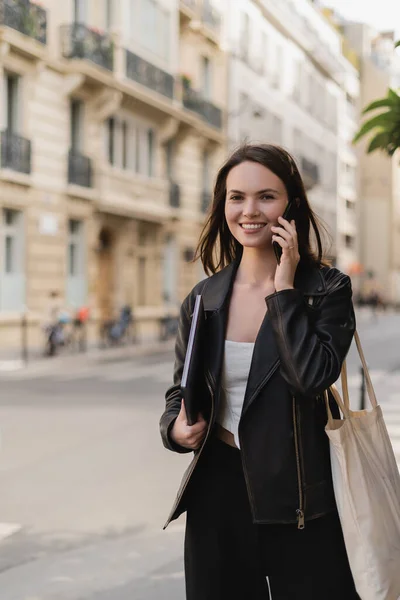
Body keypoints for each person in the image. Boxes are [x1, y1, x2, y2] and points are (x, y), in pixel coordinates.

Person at [159, 144, 359, 599]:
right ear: (222, 205)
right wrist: (174, 429)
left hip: (301, 500)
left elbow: (311, 377)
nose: (249, 211)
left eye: (266, 196)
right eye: (236, 197)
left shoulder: (325, 290)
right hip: (217, 496)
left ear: (292, 205)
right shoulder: (204, 297)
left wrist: (284, 291)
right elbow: (179, 391)